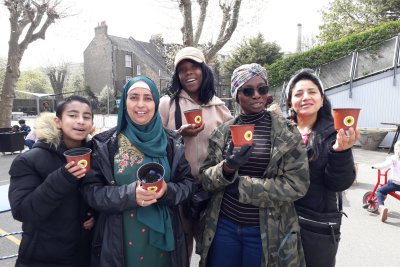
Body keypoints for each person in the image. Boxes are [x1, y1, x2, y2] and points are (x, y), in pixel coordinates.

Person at [198, 63, 310, 267]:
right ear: (236, 95)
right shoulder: (223, 132)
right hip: (224, 227)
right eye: (248, 90)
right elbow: (205, 178)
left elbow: (297, 184)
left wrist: (241, 186)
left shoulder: (286, 133)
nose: (256, 95)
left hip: (266, 231)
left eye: (262, 89)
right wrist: (227, 168)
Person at [82, 76, 194, 267]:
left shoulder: (172, 142)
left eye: (148, 98)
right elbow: (91, 192)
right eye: (134, 97)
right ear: (124, 102)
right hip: (121, 241)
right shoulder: (104, 144)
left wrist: (167, 191)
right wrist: (129, 195)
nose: (140, 104)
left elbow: (188, 184)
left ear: (156, 103)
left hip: (164, 245)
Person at [159, 46, 233, 257]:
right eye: (182, 70)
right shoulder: (168, 104)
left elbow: (231, 147)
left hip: (211, 192)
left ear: (204, 70)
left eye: (194, 67)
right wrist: (178, 135)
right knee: (181, 251)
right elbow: (154, 143)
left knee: (211, 251)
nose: (188, 73)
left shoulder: (220, 108)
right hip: (179, 190)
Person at [8, 95, 96, 267]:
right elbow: (22, 211)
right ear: (58, 121)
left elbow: (98, 195)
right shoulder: (29, 160)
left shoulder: (97, 154)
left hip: (85, 256)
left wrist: (96, 215)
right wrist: (62, 177)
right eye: (72, 115)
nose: (80, 121)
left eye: (86, 117)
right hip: (43, 258)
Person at [285, 68, 360, 267]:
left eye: (312, 92)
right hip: (280, 221)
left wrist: (341, 152)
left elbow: (339, 183)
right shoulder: (282, 131)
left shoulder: (334, 132)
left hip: (316, 225)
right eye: (298, 93)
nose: (305, 97)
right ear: (290, 102)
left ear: (322, 98)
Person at [371, 140, 400, 222]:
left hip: (394, 184)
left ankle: (382, 207)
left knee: (380, 191)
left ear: (396, 149)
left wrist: (375, 166)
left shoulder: (393, 158)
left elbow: (384, 165)